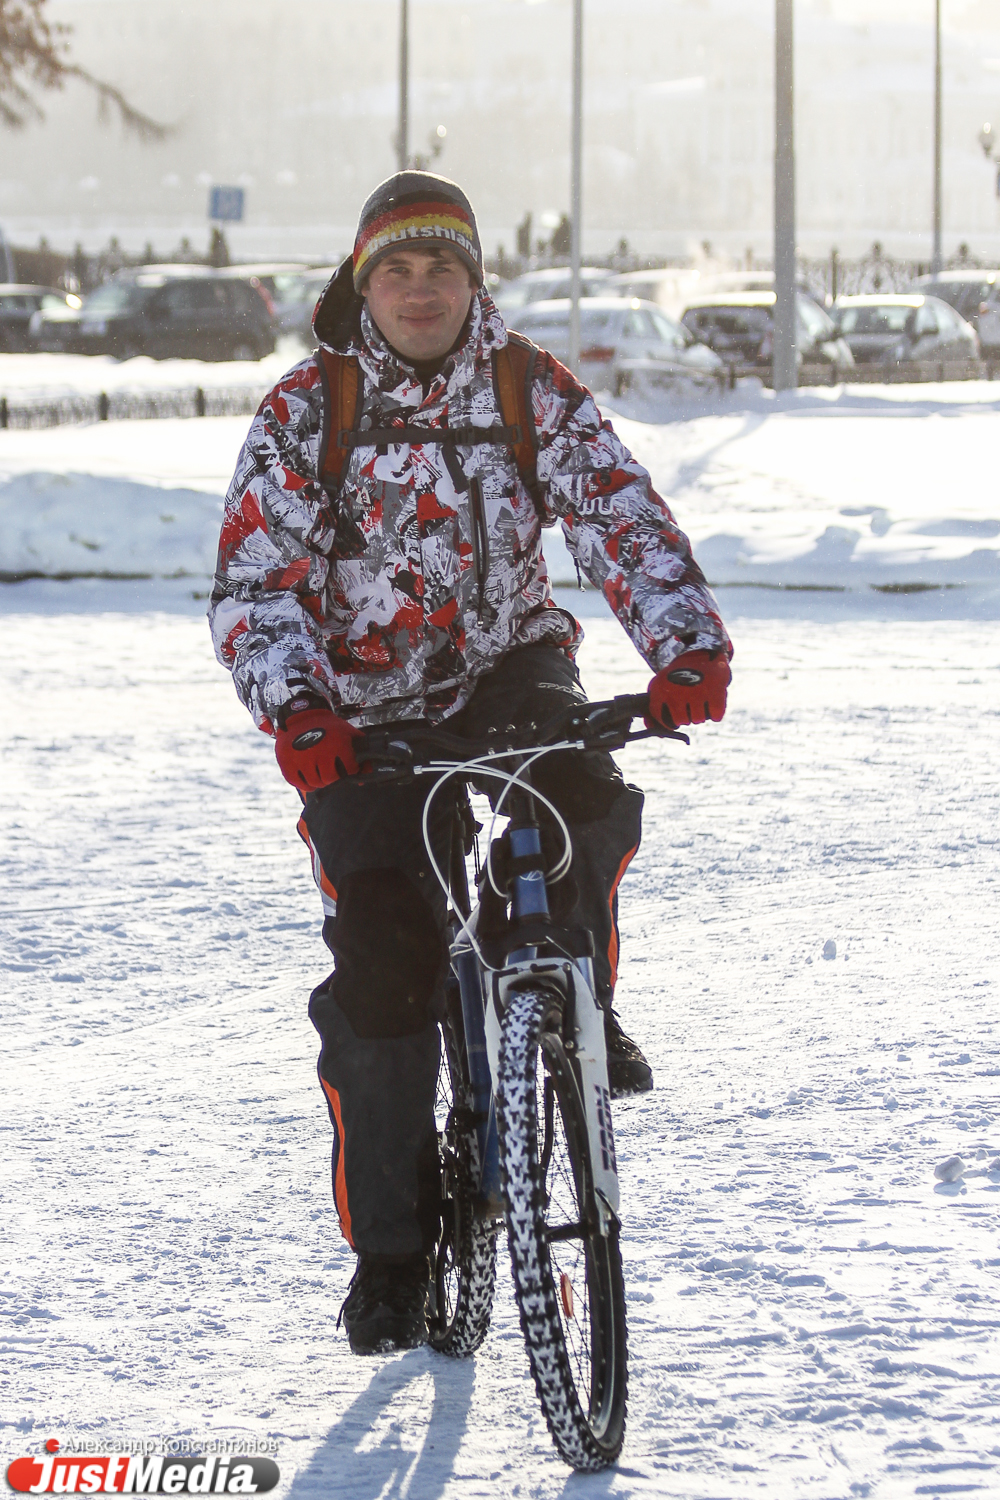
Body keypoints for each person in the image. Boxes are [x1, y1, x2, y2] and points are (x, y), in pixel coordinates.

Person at [210, 171, 732, 1356]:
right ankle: (395, 1256)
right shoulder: (309, 409)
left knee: (583, 804)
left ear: (472, 279)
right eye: (395, 269)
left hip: (507, 666)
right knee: (384, 959)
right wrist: (300, 710)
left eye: (440, 266)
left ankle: (567, 993)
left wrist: (685, 646)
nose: (419, 289)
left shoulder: (524, 386)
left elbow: (619, 517)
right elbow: (254, 585)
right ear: (362, 285)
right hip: (359, 710)